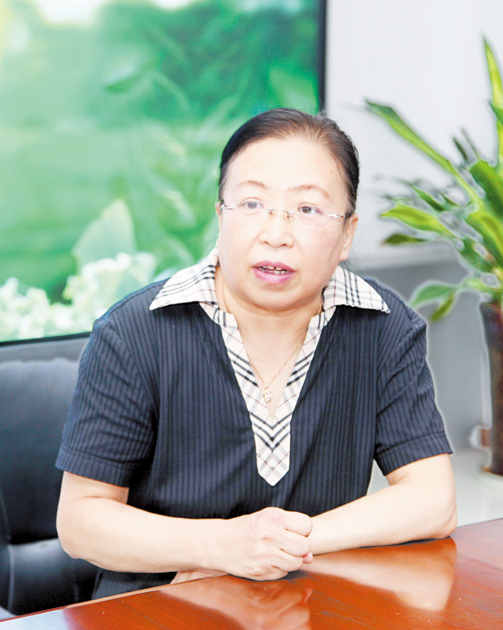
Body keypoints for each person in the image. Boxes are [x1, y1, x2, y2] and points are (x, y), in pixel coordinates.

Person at [55, 108, 457, 598]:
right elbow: (80, 521)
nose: (276, 233)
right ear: (220, 216)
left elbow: (433, 500)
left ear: (348, 234)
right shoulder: (135, 331)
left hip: (311, 601)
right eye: (252, 203)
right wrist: (221, 547)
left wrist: (278, 547)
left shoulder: (383, 326)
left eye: (307, 210)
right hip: (156, 607)